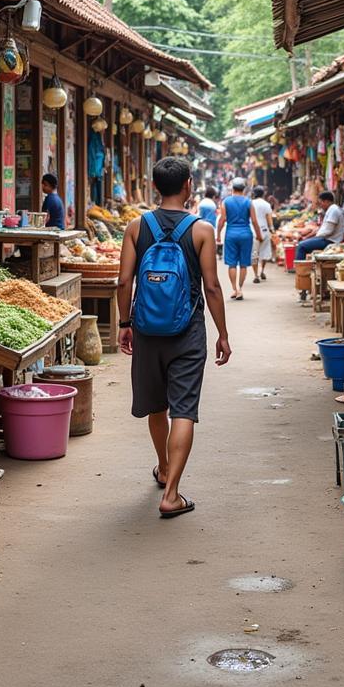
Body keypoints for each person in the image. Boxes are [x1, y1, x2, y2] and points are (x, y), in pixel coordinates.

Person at [117, 157, 231, 518]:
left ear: (155, 186)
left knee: (156, 405)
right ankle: (172, 493)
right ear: (188, 186)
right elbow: (211, 286)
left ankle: (163, 466)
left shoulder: (137, 226)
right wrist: (223, 334)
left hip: (147, 329)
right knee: (184, 409)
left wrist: (125, 323)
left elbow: (123, 282)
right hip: (188, 331)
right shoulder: (201, 230)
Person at [217, 177, 263, 300]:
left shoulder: (226, 202)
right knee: (243, 264)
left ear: (232, 188)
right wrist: (259, 235)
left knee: (232, 264)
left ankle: (234, 289)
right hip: (246, 234)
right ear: (244, 189)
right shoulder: (249, 202)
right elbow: (254, 220)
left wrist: (217, 235)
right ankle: (240, 289)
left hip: (231, 234)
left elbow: (222, 220)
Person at [295, 190, 344, 260]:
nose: (320, 205)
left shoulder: (334, 210)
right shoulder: (331, 209)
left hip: (331, 241)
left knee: (301, 246)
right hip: (326, 239)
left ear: (327, 201)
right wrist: (309, 236)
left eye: (321, 202)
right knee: (304, 244)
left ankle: (300, 269)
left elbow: (328, 231)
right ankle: (306, 267)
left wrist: (312, 237)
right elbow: (323, 229)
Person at [250, 185, 274, 282]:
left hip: (253, 231)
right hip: (264, 230)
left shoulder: (250, 203)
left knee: (254, 253)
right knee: (265, 252)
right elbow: (269, 218)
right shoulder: (266, 204)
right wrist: (272, 229)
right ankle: (262, 271)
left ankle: (256, 275)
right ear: (263, 194)